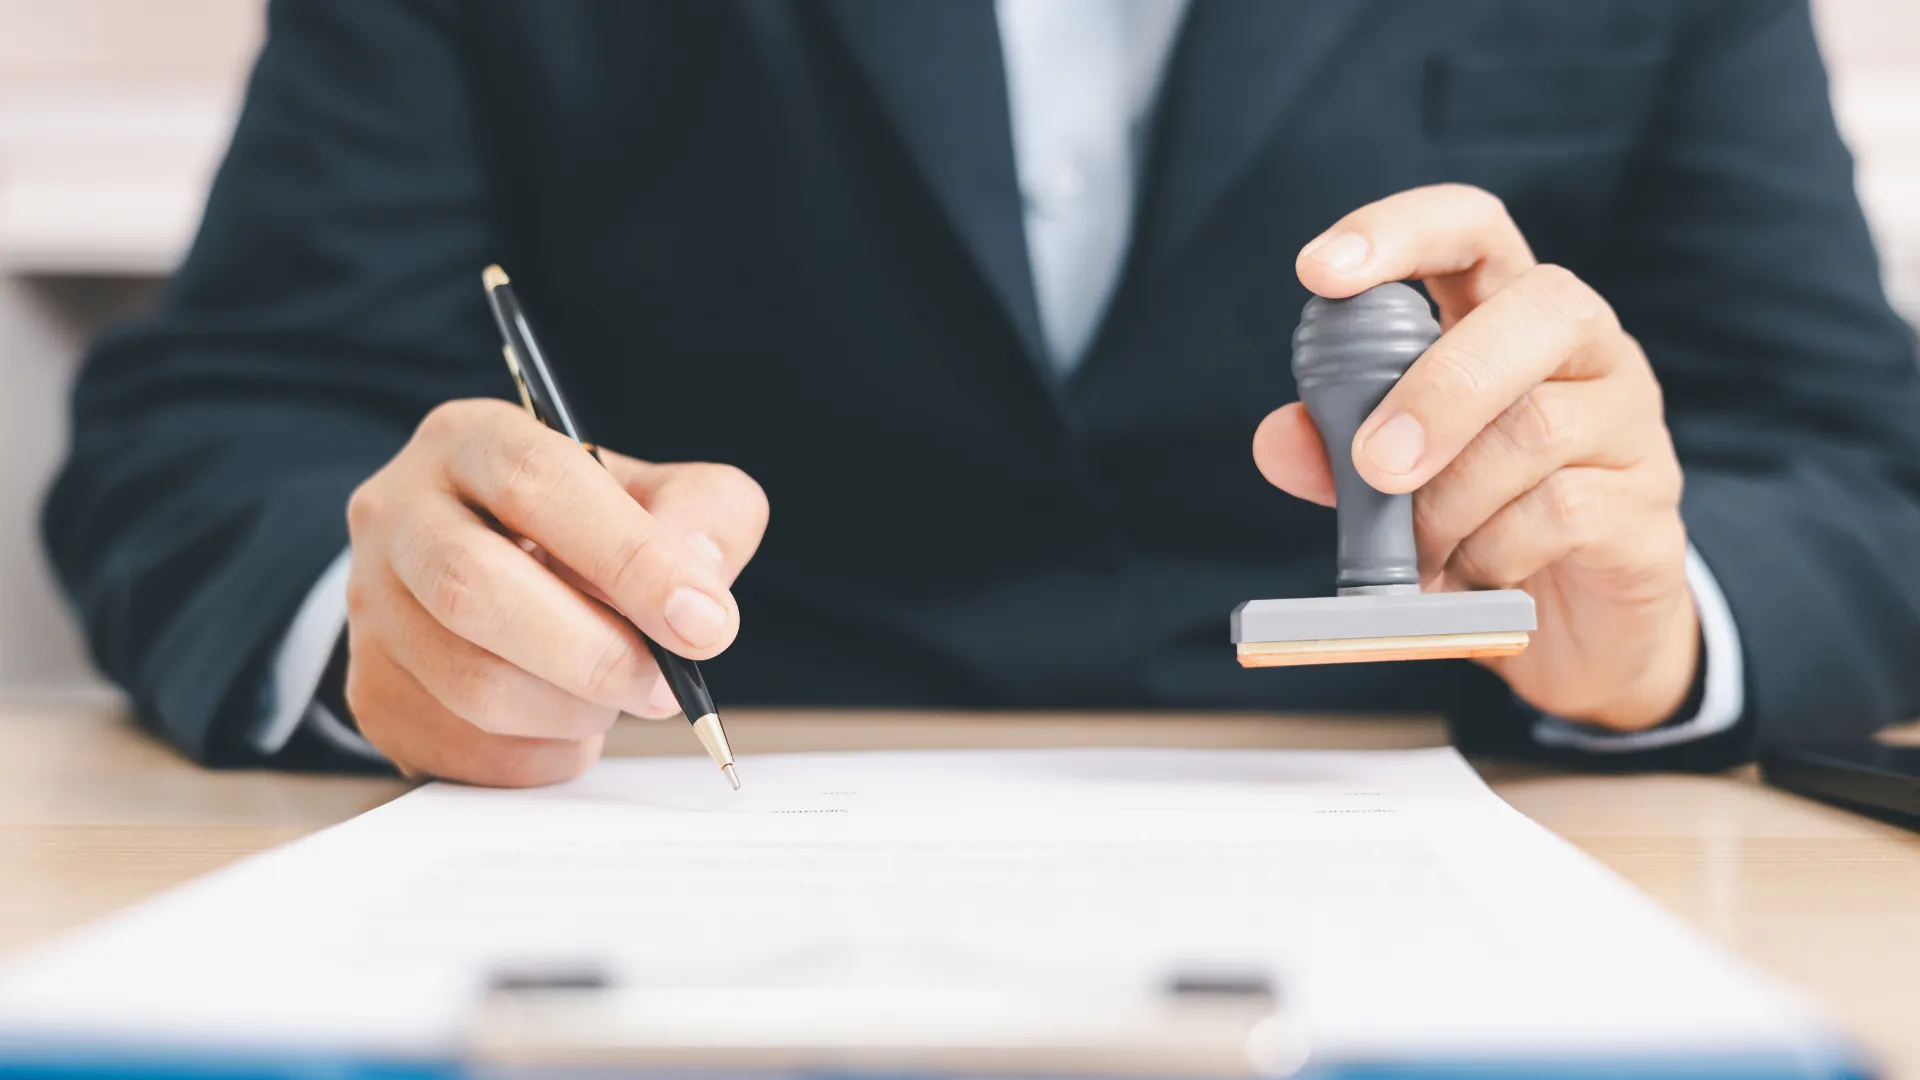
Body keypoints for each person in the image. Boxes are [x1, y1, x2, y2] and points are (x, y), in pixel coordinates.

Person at [43, 0, 1920, 786]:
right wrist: (400, 622)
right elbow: (221, 423)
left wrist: (1661, 637)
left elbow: (1862, 459)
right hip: (679, 865)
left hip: (1463, 852)